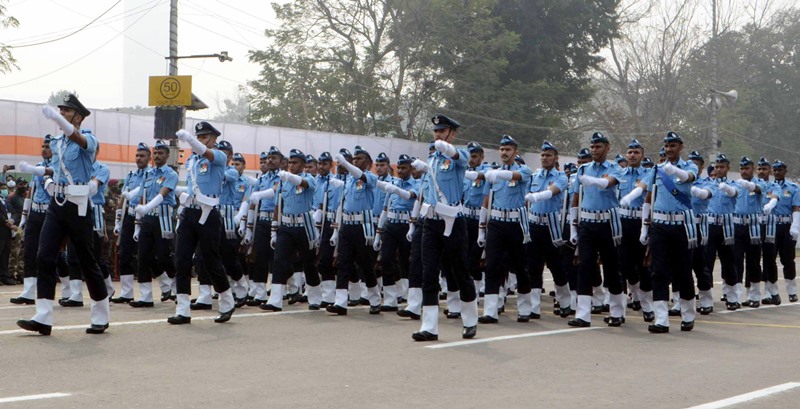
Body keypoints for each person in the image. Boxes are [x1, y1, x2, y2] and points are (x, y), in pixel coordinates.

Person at [17, 93, 110, 335]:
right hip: (57, 203)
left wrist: (64, 125)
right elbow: (56, 168)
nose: (61, 113)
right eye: (60, 110)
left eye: (66, 111)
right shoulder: (57, 142)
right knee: (44, 255)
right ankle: (43, 316)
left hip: (78, 205)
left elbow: (77, 138)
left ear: (78, 116)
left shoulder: (89, 139)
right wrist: (35, 170)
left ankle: (101, 313)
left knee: (86, 260)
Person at [412, 114, 478, 341]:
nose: (438, 135)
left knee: (460, 271)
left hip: (453, 222)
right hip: (430, 221)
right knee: (429, 273)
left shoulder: (460, 156)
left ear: (452, 133)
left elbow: (461, 157)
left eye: (443, 131)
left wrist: (447, 148)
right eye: (436, 132)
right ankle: (429, 327)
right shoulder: (432, 160)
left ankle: (470, 320)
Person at [167, 121, 235, 325]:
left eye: (205, 137)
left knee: (211, 260)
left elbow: (206, 152)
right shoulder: (191, 161)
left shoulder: (219, 157)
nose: (201, 140)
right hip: (190, 212)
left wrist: (189, 139)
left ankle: (227, 301)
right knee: (181, 260)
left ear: (214, 139)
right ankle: (183, 309)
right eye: (198, 137)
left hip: (208, 215)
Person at [640, 132, 698, 333]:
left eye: (673, 145)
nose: (669, 149)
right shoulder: (656, 170)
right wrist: (644, 226)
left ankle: (688, 314)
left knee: (683, 271)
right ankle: (661, 319)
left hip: (681, 226)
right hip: (659, 225)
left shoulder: (689, 166)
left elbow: (689, 178)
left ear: (680, 147)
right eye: (666, 145)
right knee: (659, 271)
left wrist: (672, 170)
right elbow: (649, 197)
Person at [567, 132, 626, 328]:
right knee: (585, 267)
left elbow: (607, 184)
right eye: (592, 147)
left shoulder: (615, 169)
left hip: (608, 224)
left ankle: (617, 311)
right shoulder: (583, 169)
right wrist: (573, 227)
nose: (594, 150)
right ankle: (583, 314)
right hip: (587, 224)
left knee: (611, 268)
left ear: (607, 148)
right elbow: (576, 199)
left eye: (598, 146)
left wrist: (591, 180)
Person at [260, 149, 321, 311]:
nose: (292, 165)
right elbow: (278, 205)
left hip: (304, 226)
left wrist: (289, 176)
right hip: (286, 226)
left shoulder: (309, 179)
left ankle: (315, 298)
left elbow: (304, 184)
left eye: (295, 163)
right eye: (290, 163)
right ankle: (275, 300)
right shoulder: (283, 181)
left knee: (308, 262)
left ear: (302, 164)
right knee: (279, 261)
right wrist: (274, 229)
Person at [327, 146, 381, 315]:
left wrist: (346, 164)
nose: (356, 161)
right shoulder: (349, 181)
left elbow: (360, 175)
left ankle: (375, 298)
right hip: (347, 225)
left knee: (365, 265)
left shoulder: (371, 178)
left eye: (359, 159)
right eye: (354, 159)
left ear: (369, 162)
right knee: (343, 263)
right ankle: (340, 302)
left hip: (362, 226)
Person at [524, 141, 571, 319]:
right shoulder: (534, 177)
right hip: (534, 224)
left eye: (549, 155)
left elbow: (552, 192)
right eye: (543, 155)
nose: (545, 158)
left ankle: (565, 302)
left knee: (556, 266)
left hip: (551, 226)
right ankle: (534, 306)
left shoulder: (561, 177)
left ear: (555, 158)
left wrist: (535, 196)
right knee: (533, 266)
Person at [129, 140, 178, 308]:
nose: (157, 156)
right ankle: (146, 296)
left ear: (167, 155)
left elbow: (163, 194)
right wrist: (138, 221)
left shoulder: (171, 174)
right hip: (147, 219)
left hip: (163, 218)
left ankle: (177, 286)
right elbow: (142, 196)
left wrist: (147, 206)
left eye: (160, 153)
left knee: (164, 255)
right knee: (143, 256)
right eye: (155, 153)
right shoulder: (148, 174)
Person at [690, 154, 735, 313]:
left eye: (722, 167)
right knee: (706, 262)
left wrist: (725, 187)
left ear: (728, 168)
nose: (719, 170)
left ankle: (731, 297)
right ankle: (705, 296)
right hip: (708, 226)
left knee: (728, 263)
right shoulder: (706, 183)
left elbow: (732, 193)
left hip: (726, 226)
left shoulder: (731, 184)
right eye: (716, 167)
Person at [10, 135, 53, 302]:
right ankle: (28, 292)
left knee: (49, 254)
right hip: (35, 212)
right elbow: (31, 192)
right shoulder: (39, 167)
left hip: (50, 214)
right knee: (29, 251)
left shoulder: (58, 168)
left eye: (47, 146)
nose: (44, 149)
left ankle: (68, 288)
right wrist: (24, 216)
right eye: (43, 146)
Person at [375, 154, 419, 311]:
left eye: (404, 167)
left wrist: (396, 190)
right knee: (386, 260)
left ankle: (410, 298)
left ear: (411, 168)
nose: (400, 170)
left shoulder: (417, 183)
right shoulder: (392, 183)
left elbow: (410, 196)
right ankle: (390, 299)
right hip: (391, 225)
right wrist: (379, 233)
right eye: (399, 167)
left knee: (408, 262)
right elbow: (385, 209)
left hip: (407, 226)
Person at [616, 139, 654, 322]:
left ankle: (647, 306)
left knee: (643, 266)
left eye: (636, 152)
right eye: (630, 152)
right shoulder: (619, 174)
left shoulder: (649, 174)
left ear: (642, 155)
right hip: (623, 223)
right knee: (623, 266)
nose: (632, 155)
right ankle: (622, 307)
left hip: (641, 222)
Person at [733, 157, 776, 308]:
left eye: (747, 168)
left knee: (753, 262)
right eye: (742, 169)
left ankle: (755, 295)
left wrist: (747, 184)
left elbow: (757, 189)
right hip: (737, 225)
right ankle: (736, 296)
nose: (744, 171)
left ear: (752, 169)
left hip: (753, 226)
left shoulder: (761, 183)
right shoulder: (736, 184)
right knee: (736, 261)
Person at [112, 142, 151, 303]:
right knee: (125, 254)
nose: (139, 158)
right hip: (129, 217)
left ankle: (149, 294)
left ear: (149, 158)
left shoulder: (151, 174)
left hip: (145, 217)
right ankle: (127, 292)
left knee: (145, 256)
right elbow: (123, 198)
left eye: (142, 155)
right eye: (137, 155)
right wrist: (118, 221)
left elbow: (145, 196)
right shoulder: (131, 176)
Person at [243, 147, 282, 306]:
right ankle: (260, 294)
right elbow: (252, 203)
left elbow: (276, 194)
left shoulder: (283, 177)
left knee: (276, 258)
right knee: (260, 257)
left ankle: (276, 292)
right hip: (261, 221)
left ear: (281, 161)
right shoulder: (261, 179)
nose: (270, 161)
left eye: (274, 158)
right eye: (268, 158)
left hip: (277, 221)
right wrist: (249, 228)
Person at [313, 151, 345, 307]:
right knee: (320, 259)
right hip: (318, 221)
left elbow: (340, 205)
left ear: (331, 165)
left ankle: (330, 296)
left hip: (333, 222)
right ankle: (326, 295)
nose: (321, 167)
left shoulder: (335, 182)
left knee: (328, 258)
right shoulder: (315, 181)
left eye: (324, 164)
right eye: (319, 163)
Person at [766, 160, 800, 303]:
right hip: (771, 226)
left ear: (785, 171)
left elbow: (796, 208)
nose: (777, 172)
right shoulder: (768, 187)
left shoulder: (793, 188)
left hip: (786, 226)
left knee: (788, 259)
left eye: (780, 169)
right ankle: (772, 291)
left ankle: (791, 290)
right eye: (775, 170)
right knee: (769, 259)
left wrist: (796, 226)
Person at [462, 143, 488, 297]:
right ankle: (465, 292)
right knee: (463, 258)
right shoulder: (464, 172)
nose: (471, 160)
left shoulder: (486, 171)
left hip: (480, 220)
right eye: (469, 157)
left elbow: (485, 177)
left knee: (474, 259)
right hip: (465, 219)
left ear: (481, 157)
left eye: (474, 157)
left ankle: (475, 292)